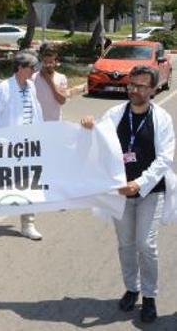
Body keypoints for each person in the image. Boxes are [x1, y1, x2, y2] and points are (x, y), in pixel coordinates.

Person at [80, 65, 174, 324]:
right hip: (119, 194)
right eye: (131, 84)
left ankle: (150, 296)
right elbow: (97, 140)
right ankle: (132, 289)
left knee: (146, 245)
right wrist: (88, 126)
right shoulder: (114, 114)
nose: (134, 90)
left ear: (153, 90)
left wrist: (139, 183)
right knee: (126, 245)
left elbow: (165, 158)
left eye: (141, 86)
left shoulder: (162, 119)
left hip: (149, 192)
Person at [0, 51, 43, 240]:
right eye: (31, 67)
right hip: (6, 145)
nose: (34, 71)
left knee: (30, 184)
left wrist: (40, 136)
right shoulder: (4, 88)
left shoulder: (31, 86)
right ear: (20, 68)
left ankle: (28, 224)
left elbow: (36, 112)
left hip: (28, 145)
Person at [33, 45, 68, 121]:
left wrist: (49, 81)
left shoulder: (61, 78)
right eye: (45, 62)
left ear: (55, 62)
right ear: (42, 61)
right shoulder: (33, 78)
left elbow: (62, 100)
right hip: (37, 122)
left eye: (51, 62)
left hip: (54, 122)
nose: (48, 65)